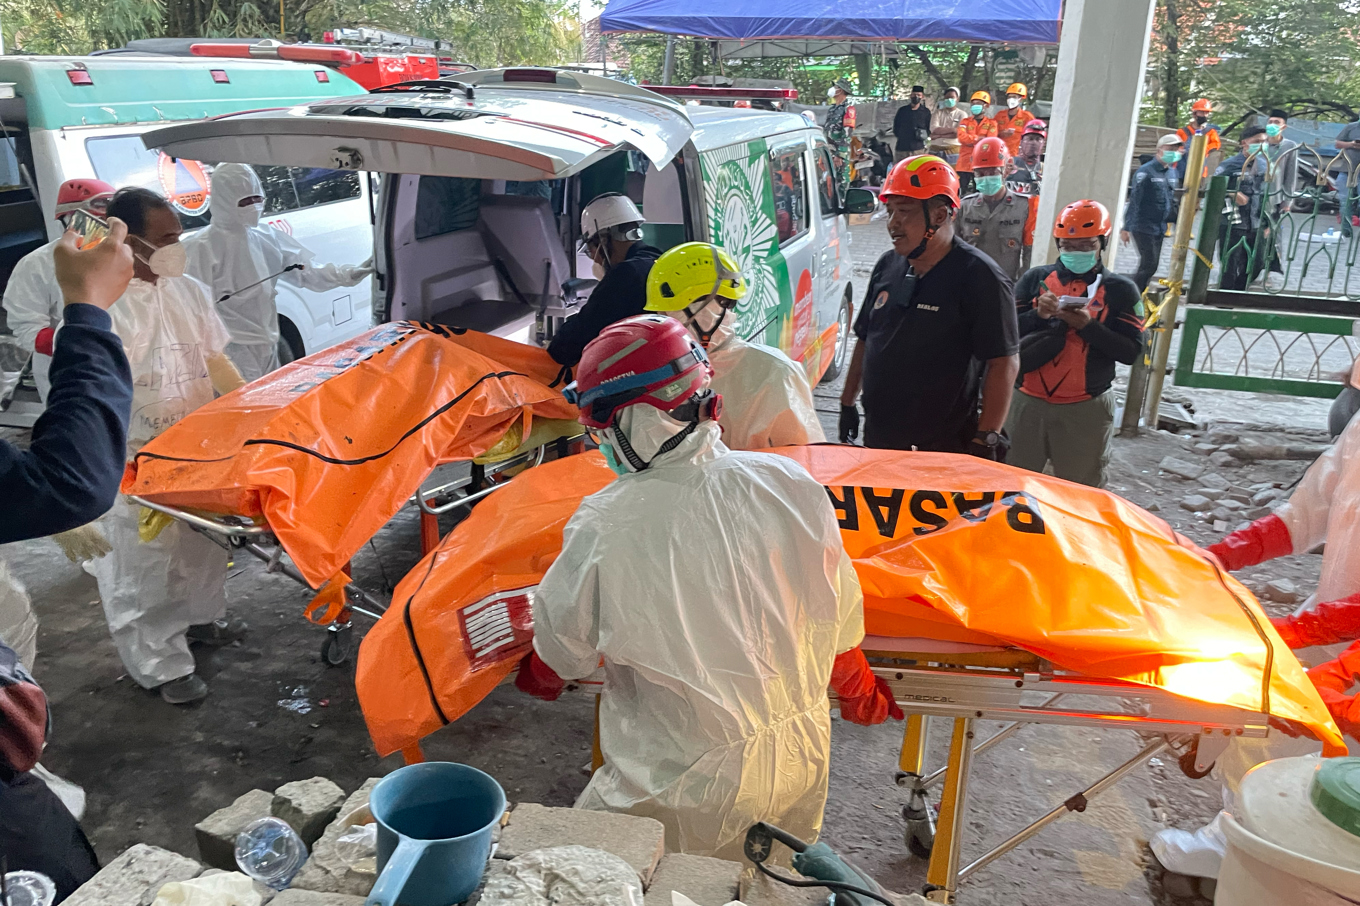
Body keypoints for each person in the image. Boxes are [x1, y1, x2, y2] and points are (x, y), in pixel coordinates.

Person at [517, 314, 899, 859]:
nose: (600, 446)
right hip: (800, 758)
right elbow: (836, 616)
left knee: (622, 880)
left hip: (681, 784)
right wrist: (857, 686)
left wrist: (536, 672)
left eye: (602, 430)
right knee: (760, 883)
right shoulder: (788, 482)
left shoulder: (608, 520)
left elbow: (563, 655)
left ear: (639, 418)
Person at [2, 215, 137, 899]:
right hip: (97, 435)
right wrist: (85, 317)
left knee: (13, 610)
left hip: (101, 432)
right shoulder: (42, 273)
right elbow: (71, 483)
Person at [84, 188, 249, 706]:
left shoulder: (189, 290)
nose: (177, 246)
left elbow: (214, 357)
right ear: (126, 241)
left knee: (203, 547)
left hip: (193, 449)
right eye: (165, 239)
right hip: (130, 457)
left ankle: (201, 620)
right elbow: (86, 393)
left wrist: (245, 409)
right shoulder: (100, 306)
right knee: (143, 565)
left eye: (179, 235)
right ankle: (159, 664)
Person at [838, 155, 1019, 457]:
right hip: (881, 435)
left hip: (943, 445)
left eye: (905, 212)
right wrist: (847, 402)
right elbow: (866, 338)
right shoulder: (888, 265)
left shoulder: (980, 277)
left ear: (938, 215)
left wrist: (986, 437)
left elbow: (1004, 363)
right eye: (890, 210)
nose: (893, 223)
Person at [183, 164, 373, 383]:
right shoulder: (200, 249)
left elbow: (306, 272)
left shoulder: (266, 237)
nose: (253, 207)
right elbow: (190, 308)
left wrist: (347, 275)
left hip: (269, 341)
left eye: (257, 199)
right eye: (245, 202)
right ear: (224, 200)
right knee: (246, 406)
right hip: (231, 349)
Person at [1006, 200, 1143, 487]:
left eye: (1085, 245)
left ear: (1102, 243)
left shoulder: (1121, 290)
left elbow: (1131, 352)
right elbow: (1004, 334)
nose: (1075, 252)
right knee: (1010, 485)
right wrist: (1037, 315)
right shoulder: (1034, 279)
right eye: (1067, 245)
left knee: (1081, 491)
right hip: (1026, 402)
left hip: (1085, 408)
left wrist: (1089, 327)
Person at [643, 241, 824, 449]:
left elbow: (803, 463)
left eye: (672, 311)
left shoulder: (776, 373)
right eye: (662, 314)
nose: (666, 322)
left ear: (717, 307)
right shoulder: (657, 371)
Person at [3, 178, 117, 402]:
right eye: (95, 220)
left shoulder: (121, 257)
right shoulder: (37, 264)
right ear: (68, 219)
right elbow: (26, 327)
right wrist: (78, 347)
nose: (102, 228)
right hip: (68, 373)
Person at [547, 193, 660, 367]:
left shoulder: (626, 274)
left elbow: (579, 335)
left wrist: (554, 346)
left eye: (591, 248)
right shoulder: (656, 261)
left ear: (604, 239)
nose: (594, 258)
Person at [956, 137, 1037, 282]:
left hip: (1006, 285)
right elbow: (953, 249)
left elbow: (1029, 254)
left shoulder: (1025, 206)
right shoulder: (964, 207)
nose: (986, 178)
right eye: (980, 174)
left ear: (1006, 170)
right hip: (969, 284)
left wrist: (1023, 289)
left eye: (992, 172)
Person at [1121, 134, 1183, 292]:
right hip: (1143, 225)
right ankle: (1133, 296)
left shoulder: (1171, 173)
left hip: (1160, 227)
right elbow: (1135, 200)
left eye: (1176, 149)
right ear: (1160, 149)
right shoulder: (1145, 172)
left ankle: (1141, 292)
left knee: (1152, 266)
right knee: (1148, 263)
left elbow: (1171, 200)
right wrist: (1127, 227)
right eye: (1170, 149)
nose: (1173, 152)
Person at [1215, 126, 1270, 290]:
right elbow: (1214, 189)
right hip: (1234, 221)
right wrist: (1231, 193)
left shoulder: (1263, 165)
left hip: (1255, 222)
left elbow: (1265, 196)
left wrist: (1267, 222)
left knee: (1257, 263)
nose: (1261, 145)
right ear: (1244, 143)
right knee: (1230, 265)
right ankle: (1225, 299)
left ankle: (1238, 291)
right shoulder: (1230, 165)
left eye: (1264, 142)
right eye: (1257, 142)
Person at [956, 91, 998, 196]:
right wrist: (978, 139)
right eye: (973, 103)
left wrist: (971, 141)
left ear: (986, 106)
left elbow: (989, 142)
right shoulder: (965, 122)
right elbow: (961, 138)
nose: (975, 106)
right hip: (964, 163)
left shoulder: (992, 123)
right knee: (960, 192)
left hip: (981, 163)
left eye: (978, 103)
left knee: (979, 193)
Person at [1176, 98, 1222, 182]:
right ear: (1194, 114)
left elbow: (1216, 144)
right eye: (1201, 112)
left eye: (1206, 113)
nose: (1204, 115)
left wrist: (1204, 149)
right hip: (1181, 171)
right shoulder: (1182, 132)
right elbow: (1175, 147)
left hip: (1200, 172)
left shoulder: (1210, 132)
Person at [824, 79, 857, 187]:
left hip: (839, 153)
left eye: (836, 87)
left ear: (841, 90)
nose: (833, 89)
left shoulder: (848, 109)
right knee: (829, 182)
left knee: (842, 181)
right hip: (829, 150)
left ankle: (842, 203)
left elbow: (847, 133)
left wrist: (840, 155)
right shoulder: (832, 109)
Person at [1332, 114, 1360, 238]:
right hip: (1347, 170)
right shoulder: (1351, 127)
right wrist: (1352, 144)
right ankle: (1346, 231)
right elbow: (1337, 144)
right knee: (1345, 201)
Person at [994, 83, 1038, 158]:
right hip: (999, 154)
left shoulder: (1027, 117)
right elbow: (991, 133)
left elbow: (1035, 137)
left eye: (1014, 97)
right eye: (1009, 97)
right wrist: (1001, 133)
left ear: (1020, 99)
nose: (1011, 99)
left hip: (1017, 156)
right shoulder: (999, 115)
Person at [1007, 120, 1046, 197]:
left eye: (1038, 139)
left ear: (1043, 144)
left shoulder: (1047, 170)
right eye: (1030, 139)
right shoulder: (1008, 165)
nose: (1033, 143)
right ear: (1021, 142)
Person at [892, 85, 932, 162]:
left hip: (918, 148)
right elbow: (896, 127)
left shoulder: (926, 112)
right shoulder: (902, 111)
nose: (916, 97)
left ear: (922, 96)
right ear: (910, 95)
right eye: (914, 94)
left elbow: (929, 128)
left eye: (918, 95)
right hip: (902, 147)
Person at [928, 86, 965, 164]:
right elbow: (934, 129)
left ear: (957, 99)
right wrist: (953, 130)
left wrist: (938, 135)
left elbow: (959, 133)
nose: (949, 100)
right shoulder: (937, 113)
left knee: (953, 175)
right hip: (935, 150)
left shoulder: (962, 114)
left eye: (952, 97)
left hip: (954, 150)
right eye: (947, 98)